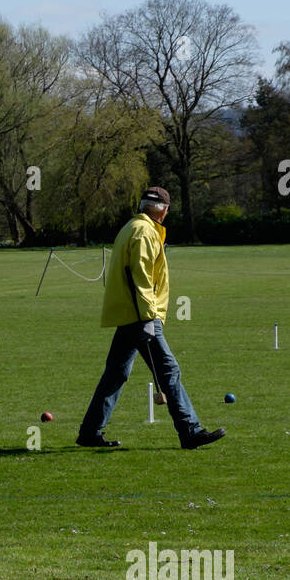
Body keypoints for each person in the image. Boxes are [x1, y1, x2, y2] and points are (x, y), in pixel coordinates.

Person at [76, 186, 226, 450]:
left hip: (130, 312)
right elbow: (141, 277)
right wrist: (148, 317)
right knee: (169, 369)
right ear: (164, 210)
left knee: (116, 373)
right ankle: (190, 431)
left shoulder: (132, 227)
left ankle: (90, 432)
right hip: (141, 314)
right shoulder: (145, 231)